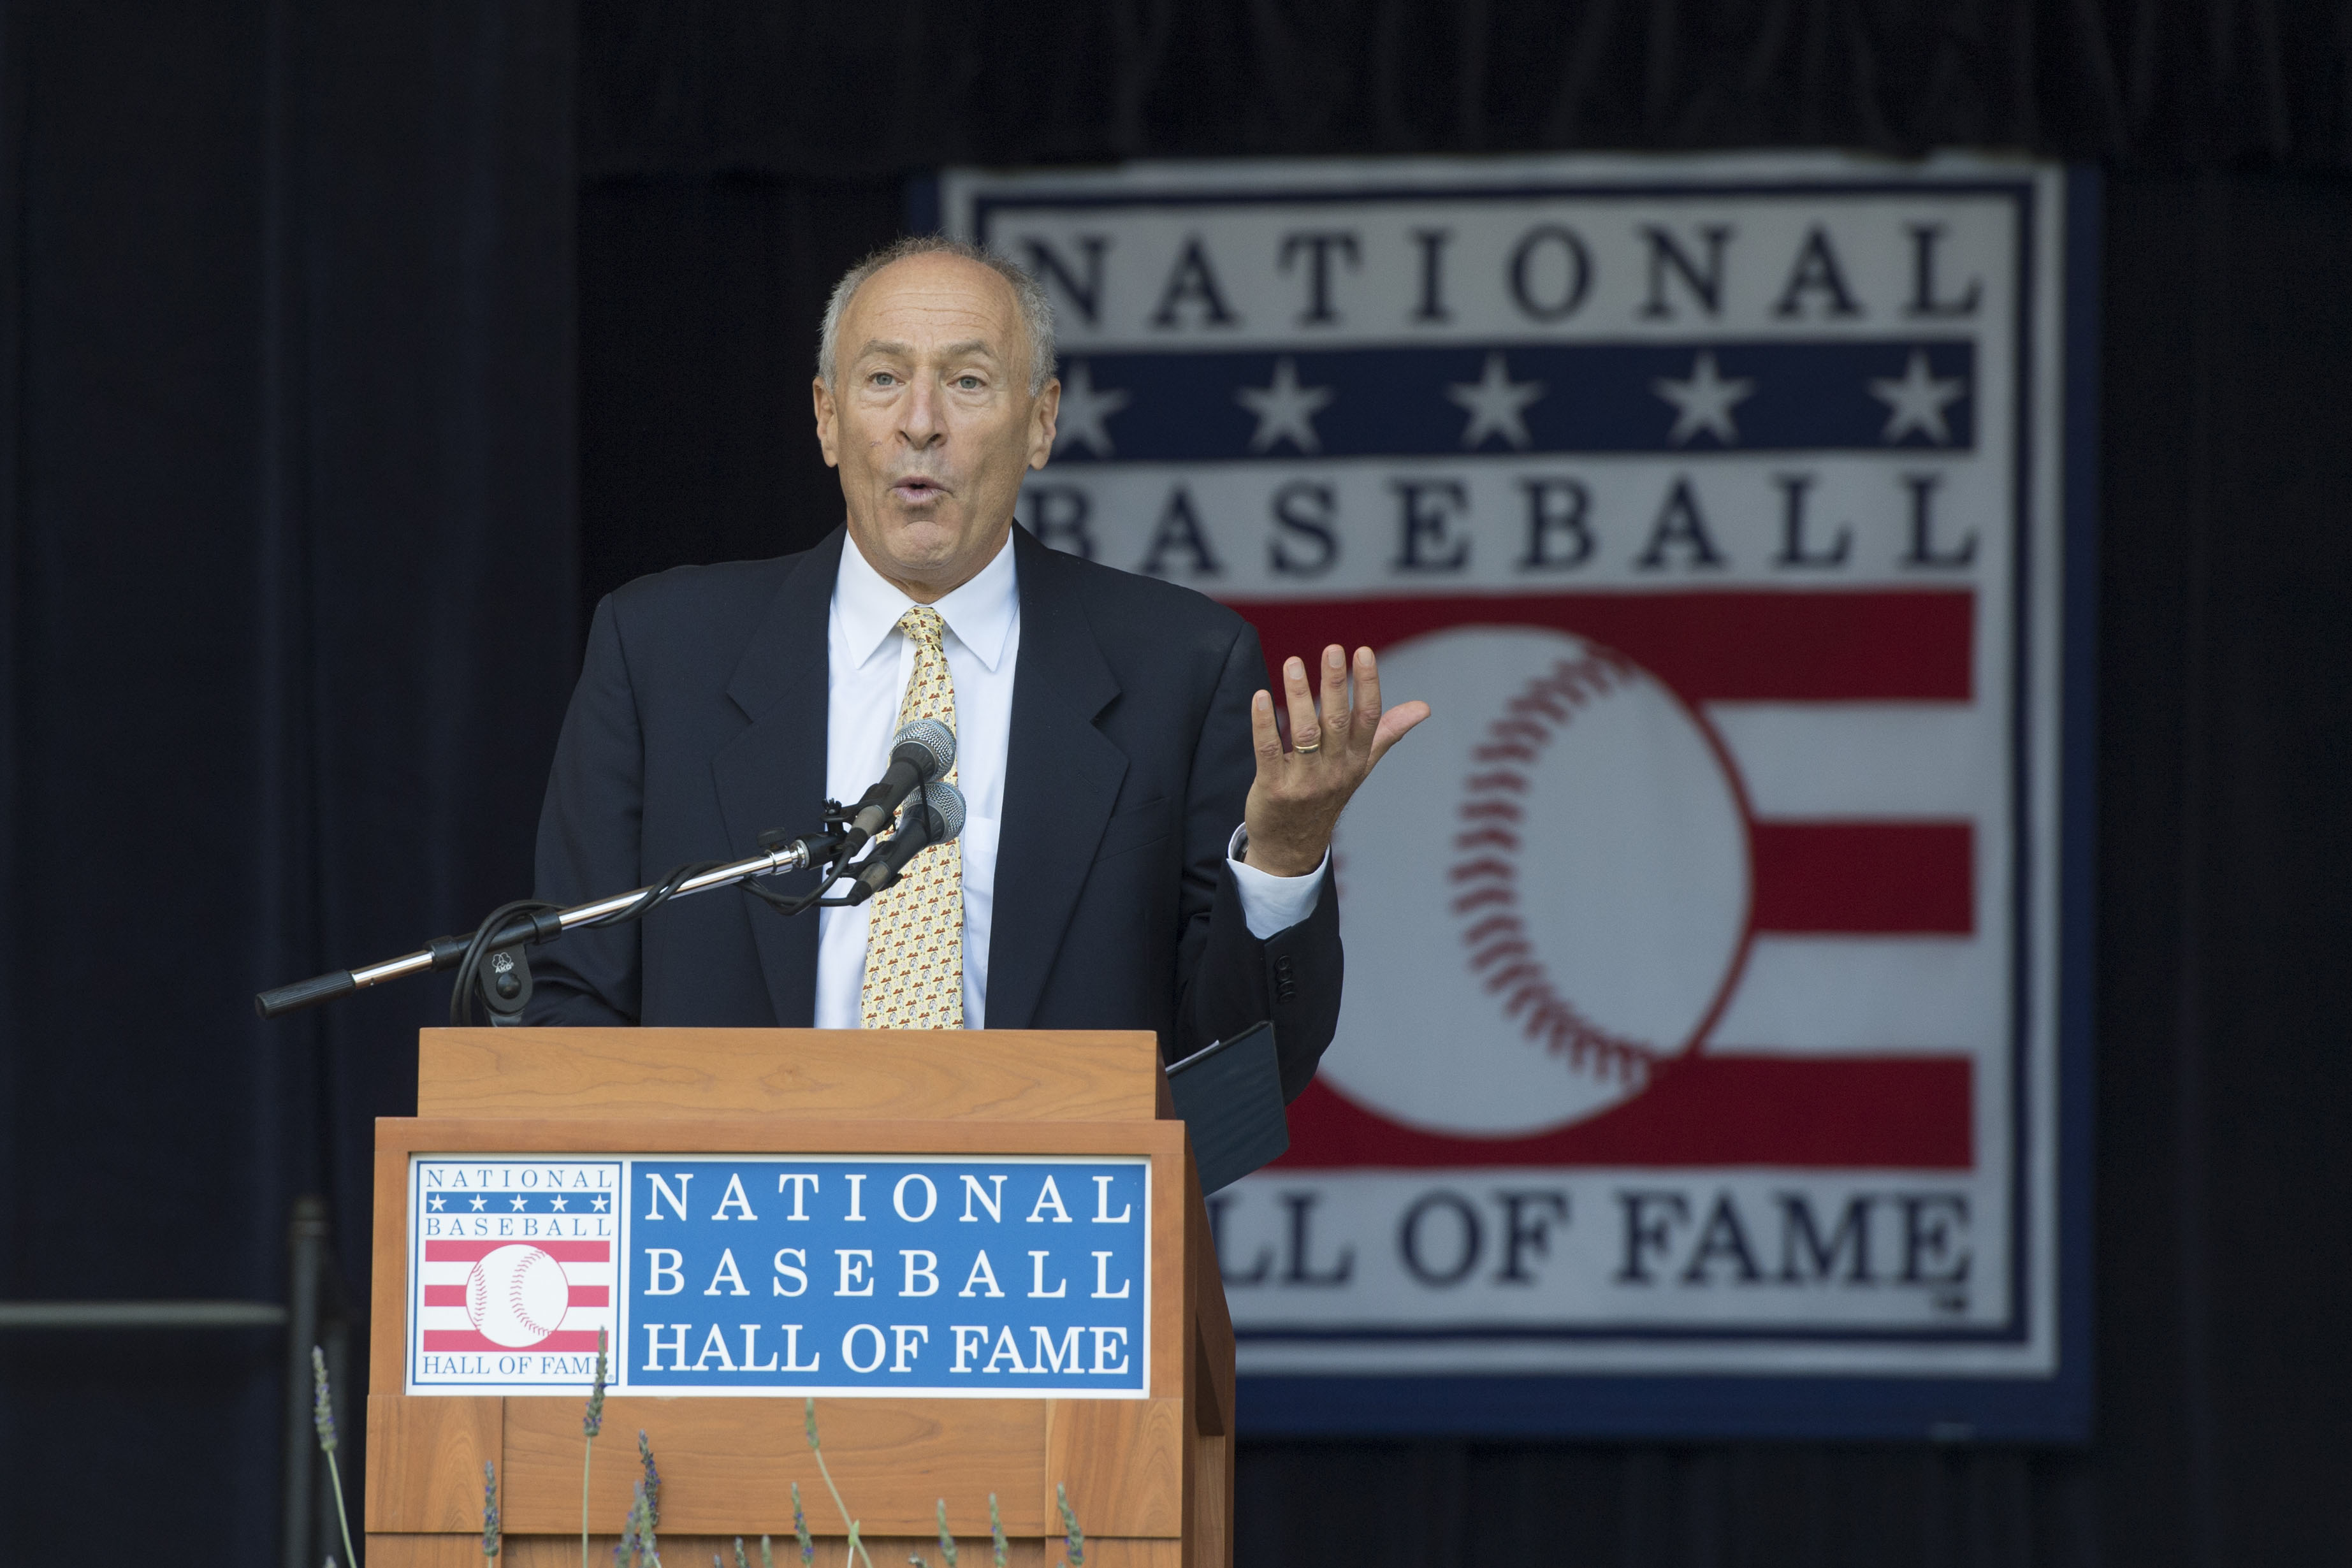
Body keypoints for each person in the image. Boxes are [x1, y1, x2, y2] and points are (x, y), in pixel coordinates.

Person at [523, 235, 1426, 1098]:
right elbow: (569, 1000)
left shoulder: (1179, 668)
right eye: (882, 380)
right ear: (826, 420)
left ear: (1040, 424)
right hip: (733, 1234)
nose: (921, 424)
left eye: (966, 381)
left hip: (1046, 1237)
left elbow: (1243, 1070)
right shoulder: (661, 652)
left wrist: (1282, 855)